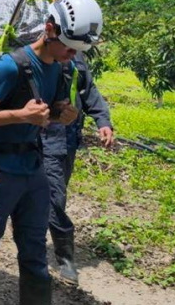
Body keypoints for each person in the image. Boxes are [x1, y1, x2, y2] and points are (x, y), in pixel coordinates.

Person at [0, 0, 103, 305]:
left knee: (33, 245)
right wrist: (21, 115)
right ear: (49, 29)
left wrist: (63, 114)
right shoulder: (10, 66)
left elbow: (50, 112)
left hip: (33, 165)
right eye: (69, 47)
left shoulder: (61, 68)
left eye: (77, 50)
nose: (72, 55)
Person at [41, 45, 113, 285]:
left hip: (68, 139)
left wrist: (103, 120)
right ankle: (64, 258)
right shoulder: (39, 54)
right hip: (43, 138)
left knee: (56, 196)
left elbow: (88, 89)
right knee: (53, 197)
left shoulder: (75, 55)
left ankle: (39, 246)